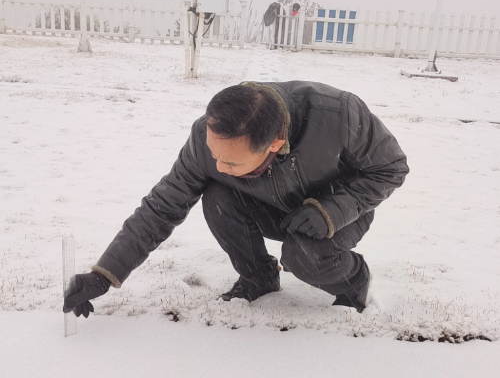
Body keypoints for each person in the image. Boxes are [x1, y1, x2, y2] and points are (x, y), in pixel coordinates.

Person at [64, 81, 409, 319]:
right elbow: (163, 205)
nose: (218, 165)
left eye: (230, 162)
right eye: (215, 155)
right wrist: (104, 274)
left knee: (305, 254)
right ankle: (259, 277)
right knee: (216, 195)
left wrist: (330, 211)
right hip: (264, 202)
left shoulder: (339, 114)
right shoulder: (208, 135)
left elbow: (391, 168)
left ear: (274, 144)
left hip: (340, 209)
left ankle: (355, 284)